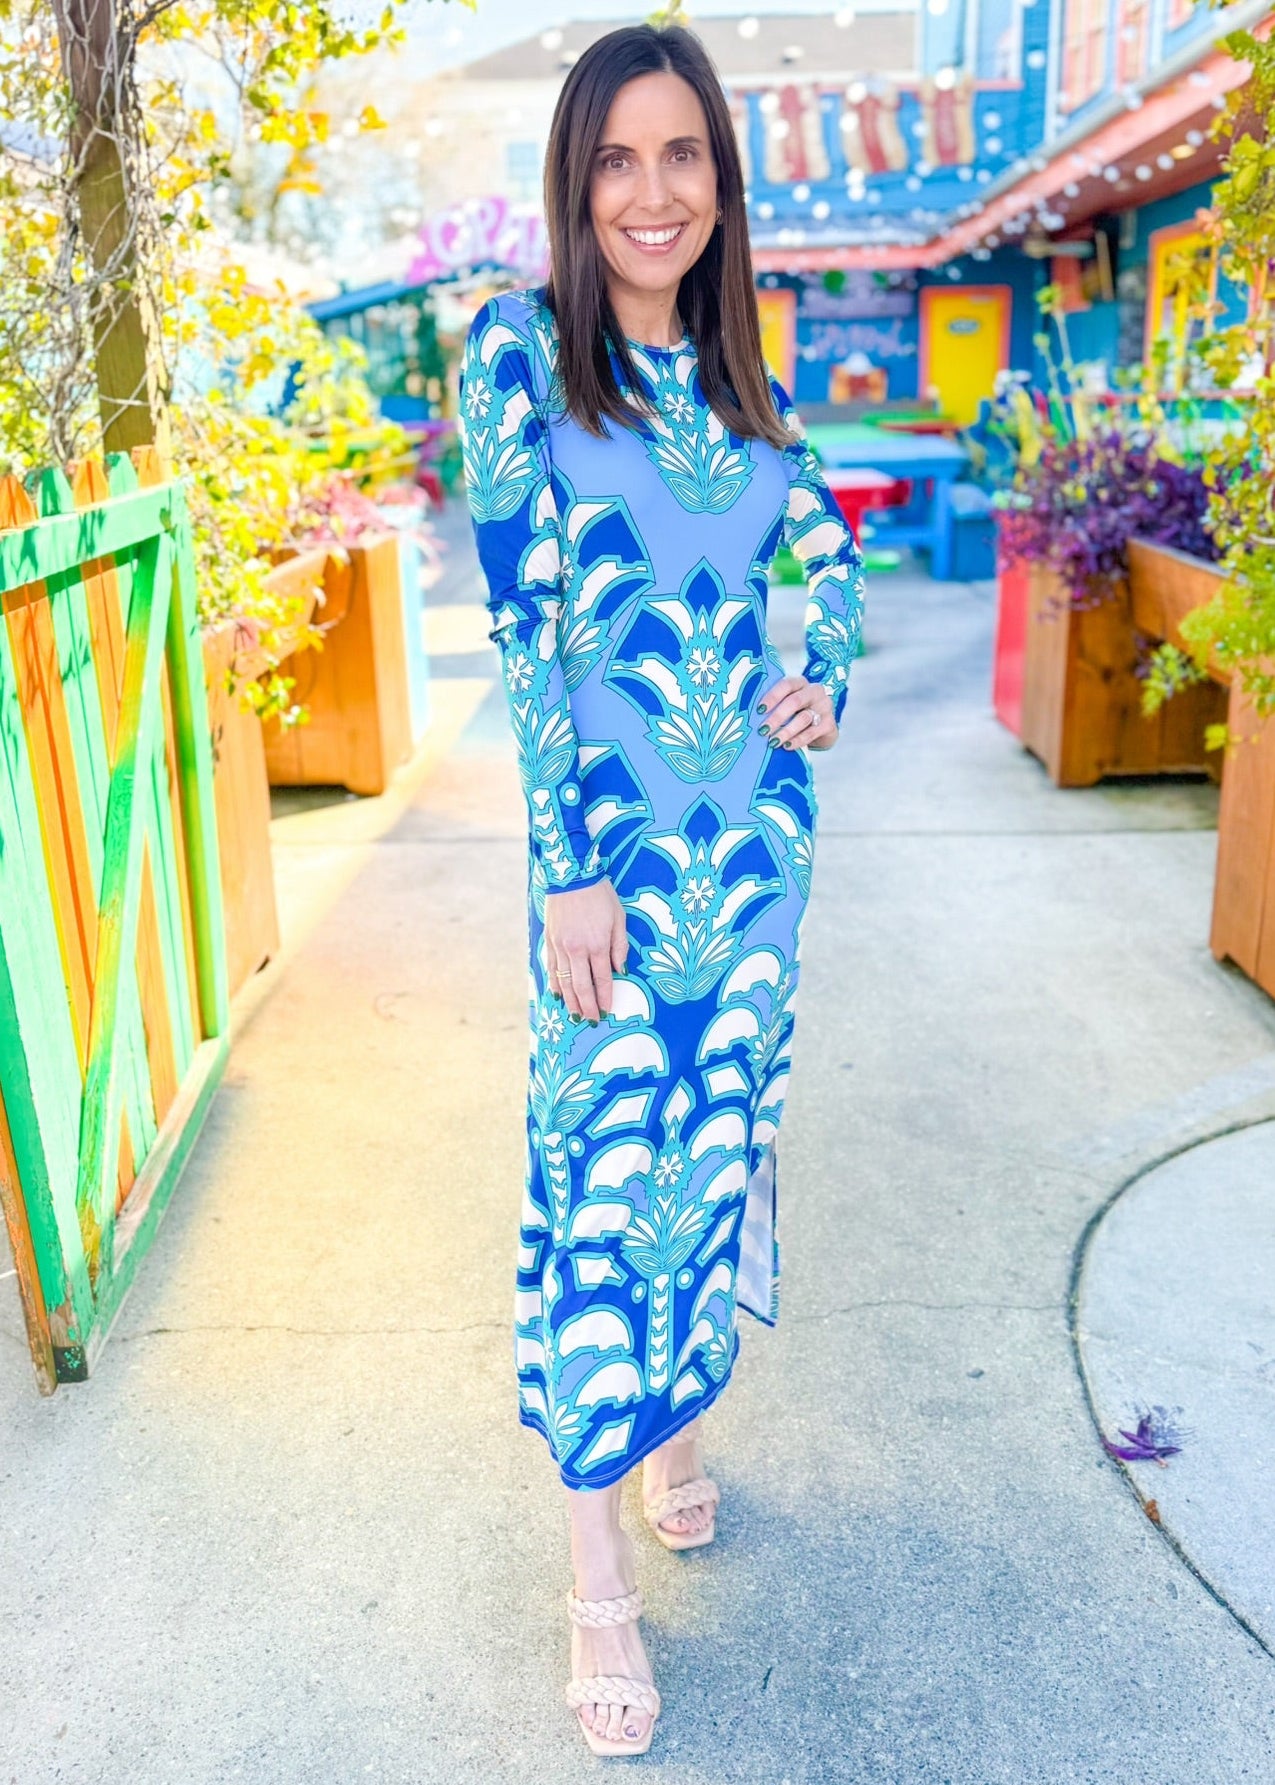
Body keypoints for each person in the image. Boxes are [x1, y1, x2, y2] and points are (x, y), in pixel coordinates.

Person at [458, 21, 864, 1759]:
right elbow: (524, 636)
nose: (651, 190)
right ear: (577, 180)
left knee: (711, 1162)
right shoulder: (518, 357)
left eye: (680, 154)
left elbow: (829, 551)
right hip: (609, 890)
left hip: (750, 875)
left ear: (721, 181)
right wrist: (566, 873)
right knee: (603, 1190)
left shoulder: (744, 382)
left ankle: (678, 1427)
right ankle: (594, 1581)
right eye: (617, 157)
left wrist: (826, 672)